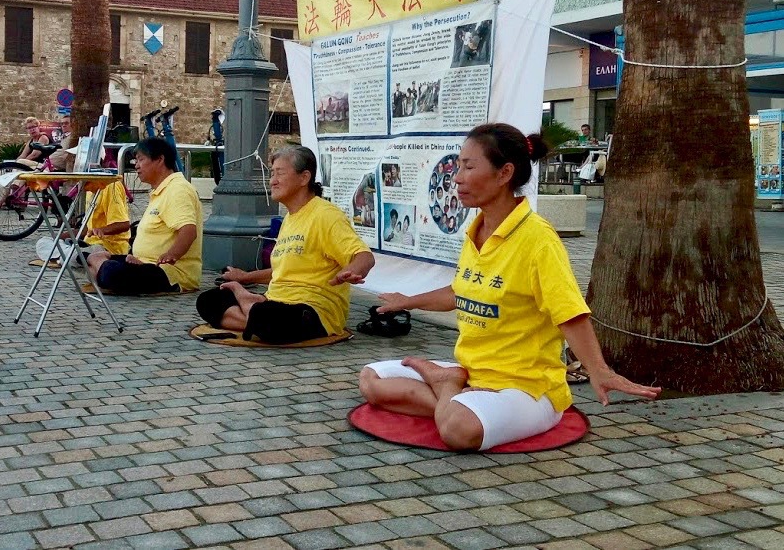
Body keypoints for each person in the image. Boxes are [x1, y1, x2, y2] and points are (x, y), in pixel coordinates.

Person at [359, 123, 660, 451]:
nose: (457, 178)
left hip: (526, 388)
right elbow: (461, 293)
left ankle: (447, 389)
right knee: (371, 379)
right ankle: (453, 392)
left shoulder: (538, 239)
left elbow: (569, 313)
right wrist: (408, 301)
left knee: (458, 430)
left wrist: (599, 370)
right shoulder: (477, 230)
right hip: (472, 372)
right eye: (458, 166)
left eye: (469, 167)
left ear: (504, 173)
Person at [196, 146, 375, 344]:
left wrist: (351, 270)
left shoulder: (326, 215)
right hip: (273, 301)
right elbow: (282, 271)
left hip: (312, 309)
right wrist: (245, 277)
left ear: (304, 178)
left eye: (280, 173)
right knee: (208, 300)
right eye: (272, 174)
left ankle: (250, 308)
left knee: (270, 317)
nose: (272, 181)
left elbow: (365, 257)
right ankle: (253, 313)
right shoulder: (289, 218)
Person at [86, 138, 202, 294]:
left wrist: (171, 255)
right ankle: (101, 269)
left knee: (110, 272)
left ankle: (102, 271)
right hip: (145, 264)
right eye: (136, 160)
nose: (136, 165)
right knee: (92, 259)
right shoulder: (161, 190)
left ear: (160, 159)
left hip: (169, 273)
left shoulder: (178, 189)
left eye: (141, 159)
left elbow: (188, 230)